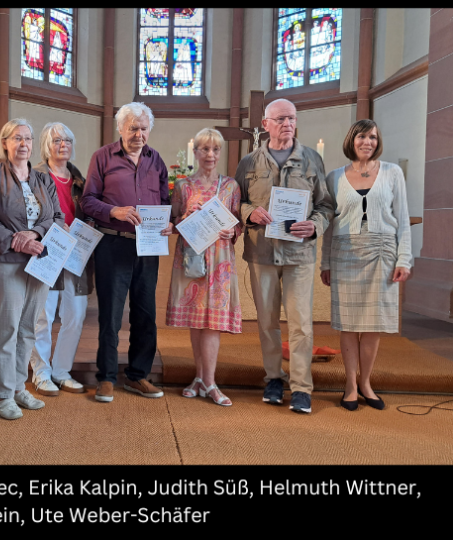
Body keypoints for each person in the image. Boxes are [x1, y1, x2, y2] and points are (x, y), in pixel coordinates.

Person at [234, 98, 334, 414]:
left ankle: (302, 387)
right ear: (265, 125)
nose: (287, 124)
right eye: (280, 119)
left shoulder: (312, 159)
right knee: (266, 322)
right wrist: (251, 212)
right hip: (262, 252)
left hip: (299, 253)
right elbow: (234, 202)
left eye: (291, 118)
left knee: (301, 323)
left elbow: (326, 205)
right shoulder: (248, 163)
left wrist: (315, 224)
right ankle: (274, 378)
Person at [80, 102, 173, 403]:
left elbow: (165, 200)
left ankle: (138, 375)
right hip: (113, 243)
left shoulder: (156, 161)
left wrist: (167, 222)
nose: (139, 133)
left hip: (148, 246)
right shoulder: (102, 157)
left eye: (144, 128)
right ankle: (106, 377)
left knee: (145, 313)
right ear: (120, 128)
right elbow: (88, 201)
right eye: (133, 127)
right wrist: (115, 211)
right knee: (110, 314)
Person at [0, 119, 65, 420]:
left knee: (29, 328)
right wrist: (16, 241)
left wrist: (36, 235)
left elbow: (59, 218)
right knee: (7, 328)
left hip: (39, 262)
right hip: (5, 263)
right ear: (4, 143)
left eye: (27, 139)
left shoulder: (43, 180)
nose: (23, 144)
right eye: (17, 138)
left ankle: (17, 387)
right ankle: (3, 395)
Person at [320, 120, 411, 411]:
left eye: (372, 137)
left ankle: (366, 383)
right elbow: (329, 226)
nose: (367, 142)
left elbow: (403, 219)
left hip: (382, 254)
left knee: (372, 325)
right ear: (352, 140)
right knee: (348, 324)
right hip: (345, 254)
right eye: (362, 136)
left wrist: (404, 259)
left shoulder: (393, 173)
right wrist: (325, 262)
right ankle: (349, 384)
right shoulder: (334, 177)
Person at [166, 128, 243, 406]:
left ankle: (210, 382)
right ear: (195, 152)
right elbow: (173, 221)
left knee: (212, 323)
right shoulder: (184, 185)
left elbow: (238, 223)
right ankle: (199, 378)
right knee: (196, 321)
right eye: (204, 149)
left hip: (220, 259)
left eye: (215, 150)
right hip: (191, 256)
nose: (210, 155)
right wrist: (185, 215)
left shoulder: (231, 185)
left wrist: (231, 232)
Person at [30, 122, 91, 396]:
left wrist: (86, 229)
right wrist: (51, 227)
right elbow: (26, 212)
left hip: (75, 252)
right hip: (47, 249)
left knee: (76, 314)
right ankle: (41, 373)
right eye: (57, 140)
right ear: (46, 145)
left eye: (67, 139)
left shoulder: (79, 178)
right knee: (42, 315)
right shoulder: (35, 176)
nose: (63, 144)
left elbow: (88, 212)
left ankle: (61, 370)